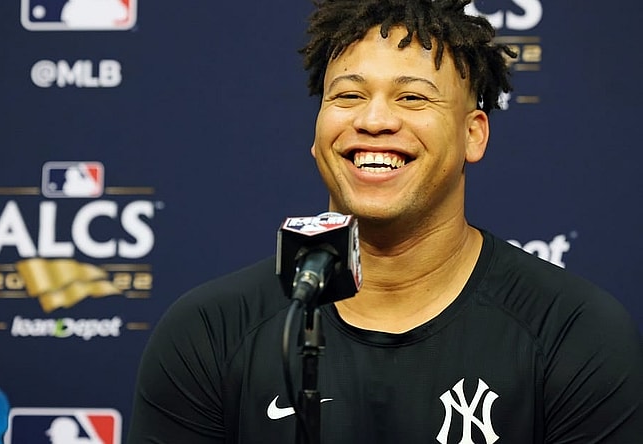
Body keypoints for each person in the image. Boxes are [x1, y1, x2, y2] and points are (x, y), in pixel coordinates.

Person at [127, 0, 643, 442]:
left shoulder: (573, 334)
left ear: (474, 134)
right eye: (348, 95)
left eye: (412, 97)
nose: (373, 121)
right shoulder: (209, 333)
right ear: (316, 132)